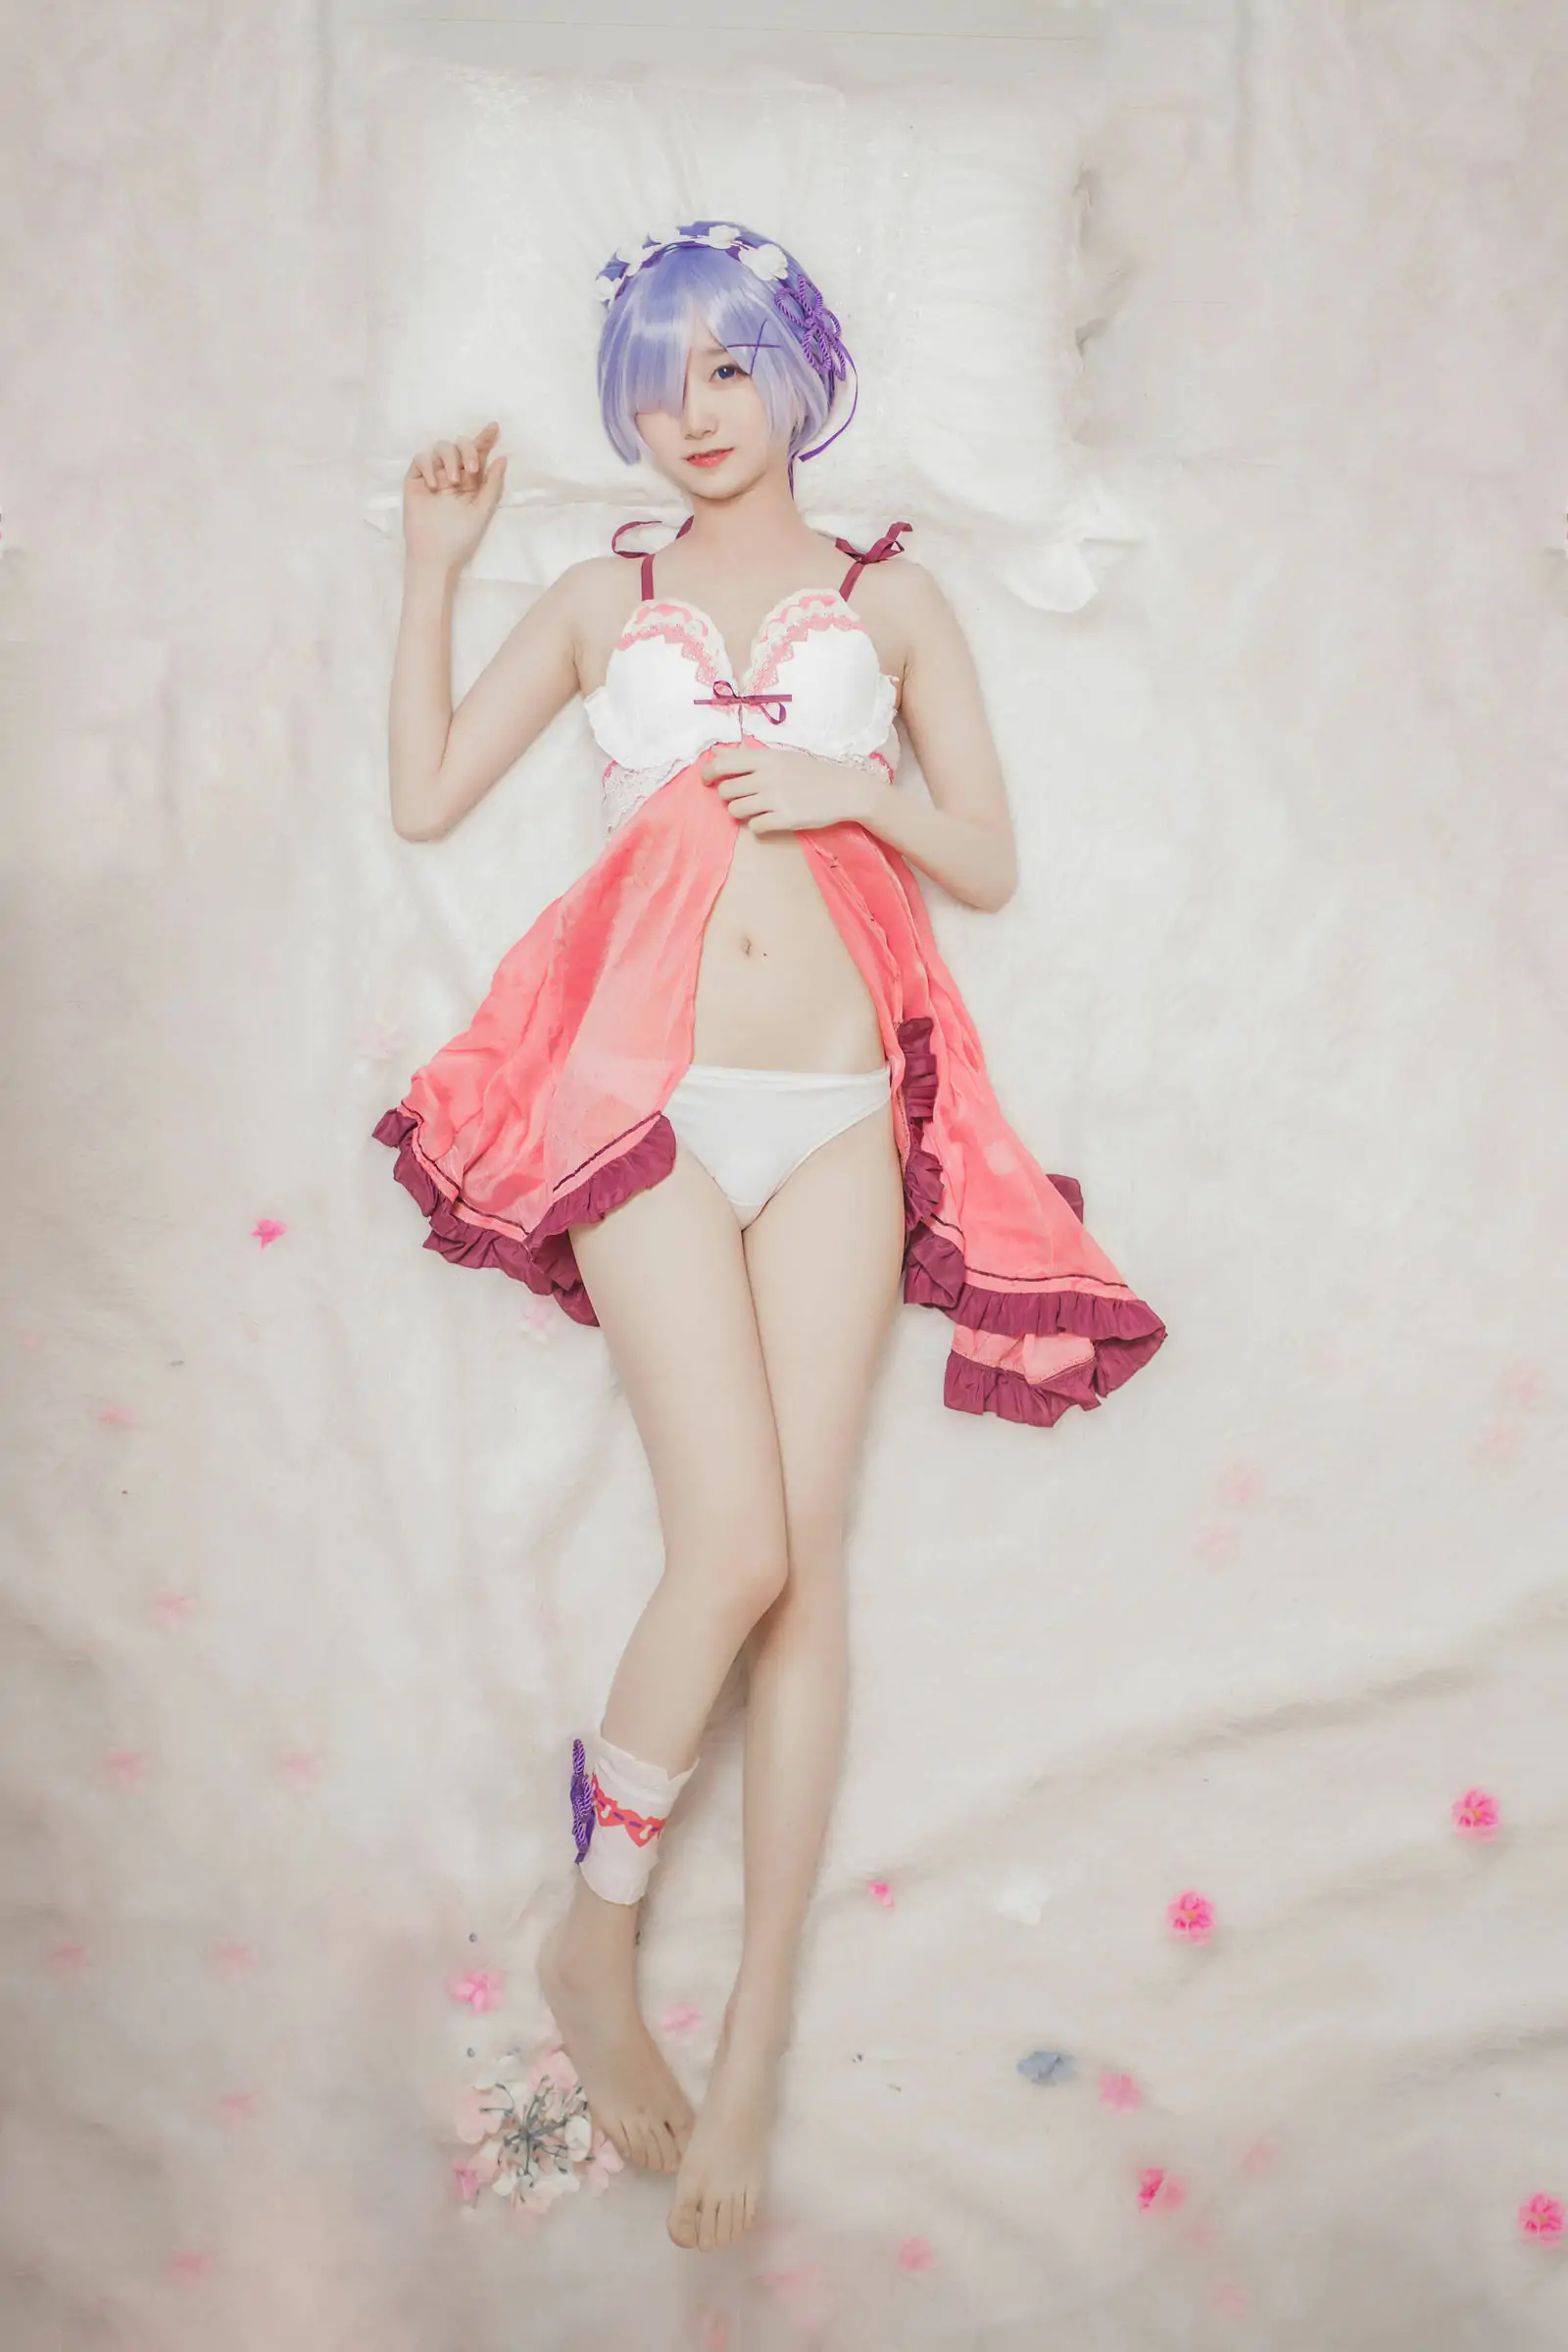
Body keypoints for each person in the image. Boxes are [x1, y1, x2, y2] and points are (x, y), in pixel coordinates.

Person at [377, 220, 1164, 2253]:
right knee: (727, 1547)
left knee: (804, 1582)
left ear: (795, 373)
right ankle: (594, 1933)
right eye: (653, 388)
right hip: (642, 1100)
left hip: (832, 1116)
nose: (690, 418)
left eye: (723, 371)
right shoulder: (600, 597)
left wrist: (850, 788)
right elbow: (428, 795)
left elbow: (986, 855)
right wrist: (434, 571)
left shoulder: (891, 595)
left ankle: (748, 2049)